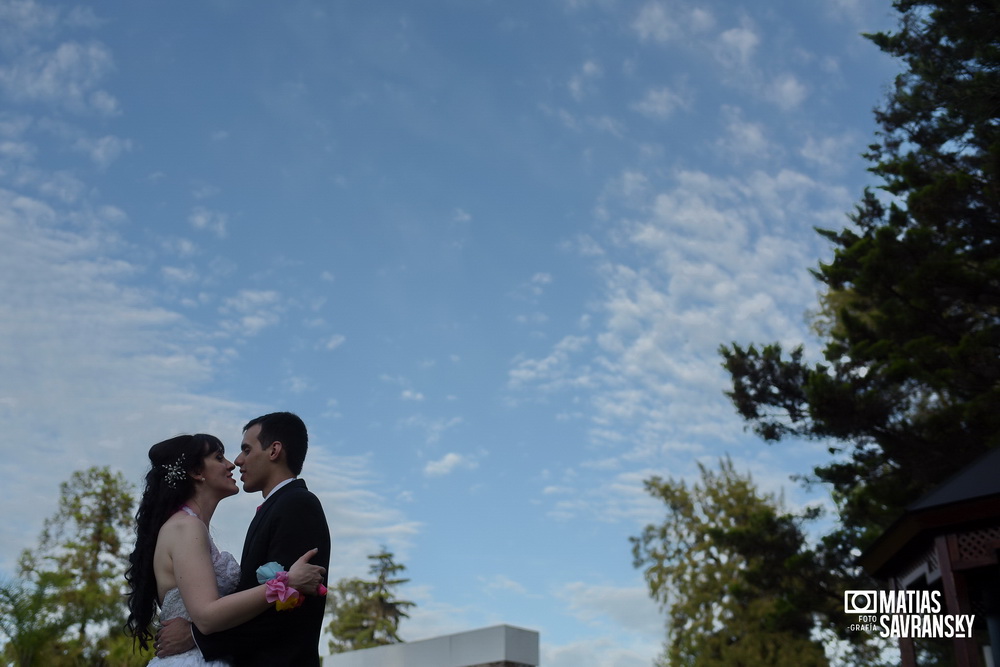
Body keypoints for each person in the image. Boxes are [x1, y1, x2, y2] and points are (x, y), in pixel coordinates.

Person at [125, 432, 327, 666]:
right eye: (219, 457)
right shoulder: (185, 527)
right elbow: (208, 616)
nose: (232, 464)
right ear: (197, 472)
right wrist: (286, 583)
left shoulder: (190, 527)